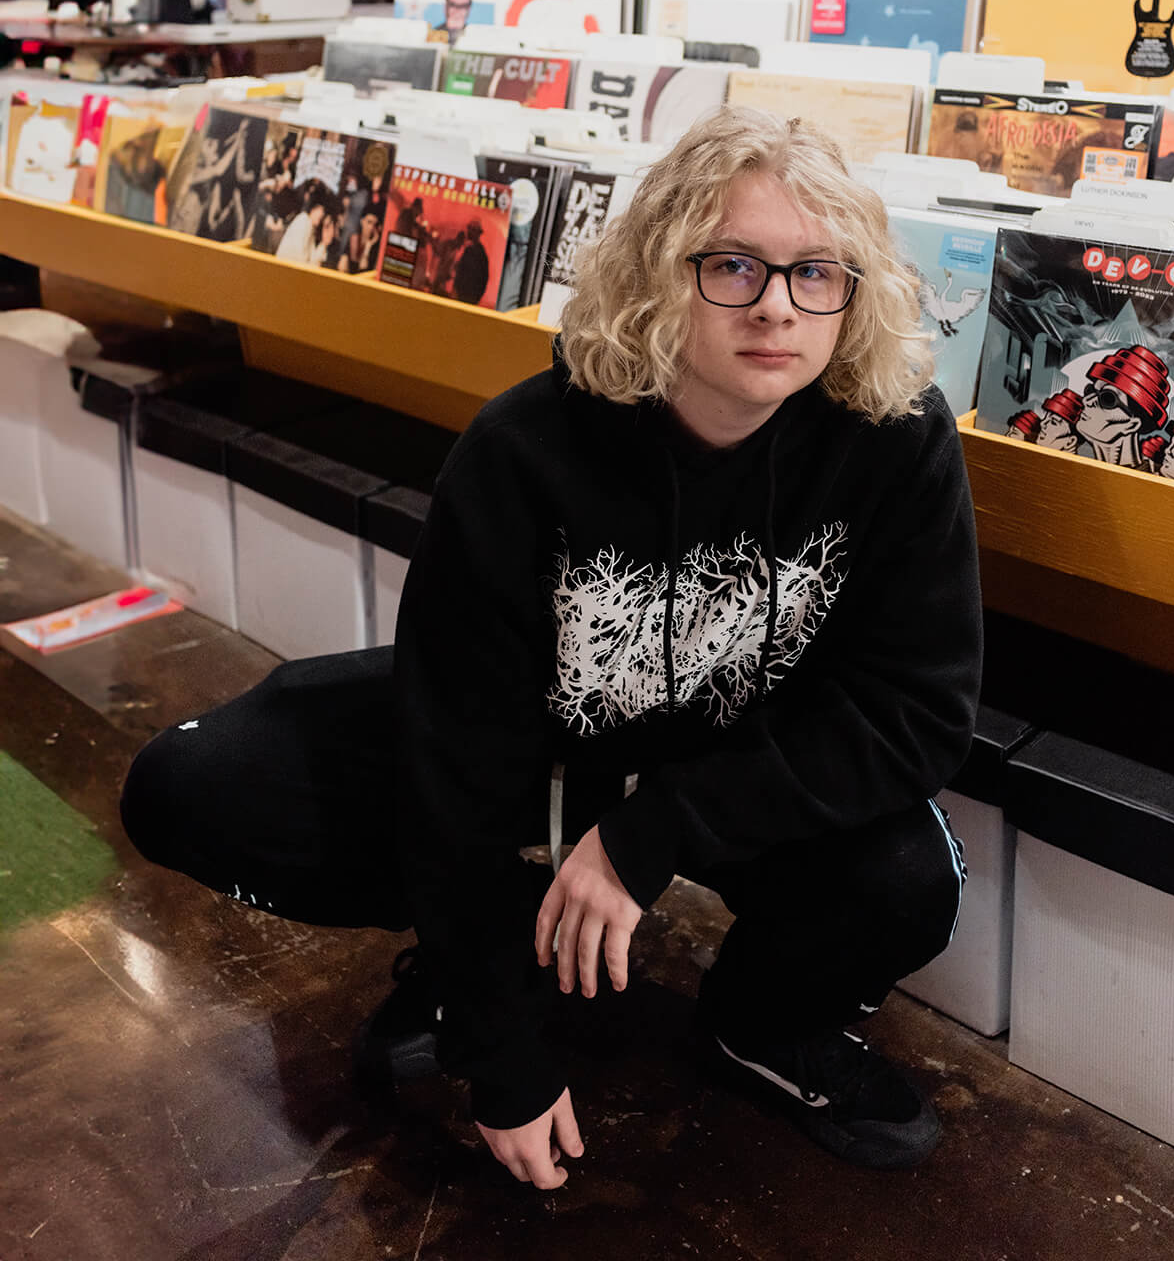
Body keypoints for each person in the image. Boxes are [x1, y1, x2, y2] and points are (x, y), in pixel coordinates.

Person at [119, 108, 982, 1189]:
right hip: (535, 742)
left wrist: (653, 828)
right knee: (197, 783)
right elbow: (456, 757)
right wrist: (503, 1056)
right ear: (659, 272)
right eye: (733, 264)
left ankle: (759, 1023)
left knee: (907, 875)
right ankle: (464, 969)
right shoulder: (526, 446)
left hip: (723, 760)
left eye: (818, 271)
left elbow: (917, 711)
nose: (776, 304)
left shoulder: (895, 436)